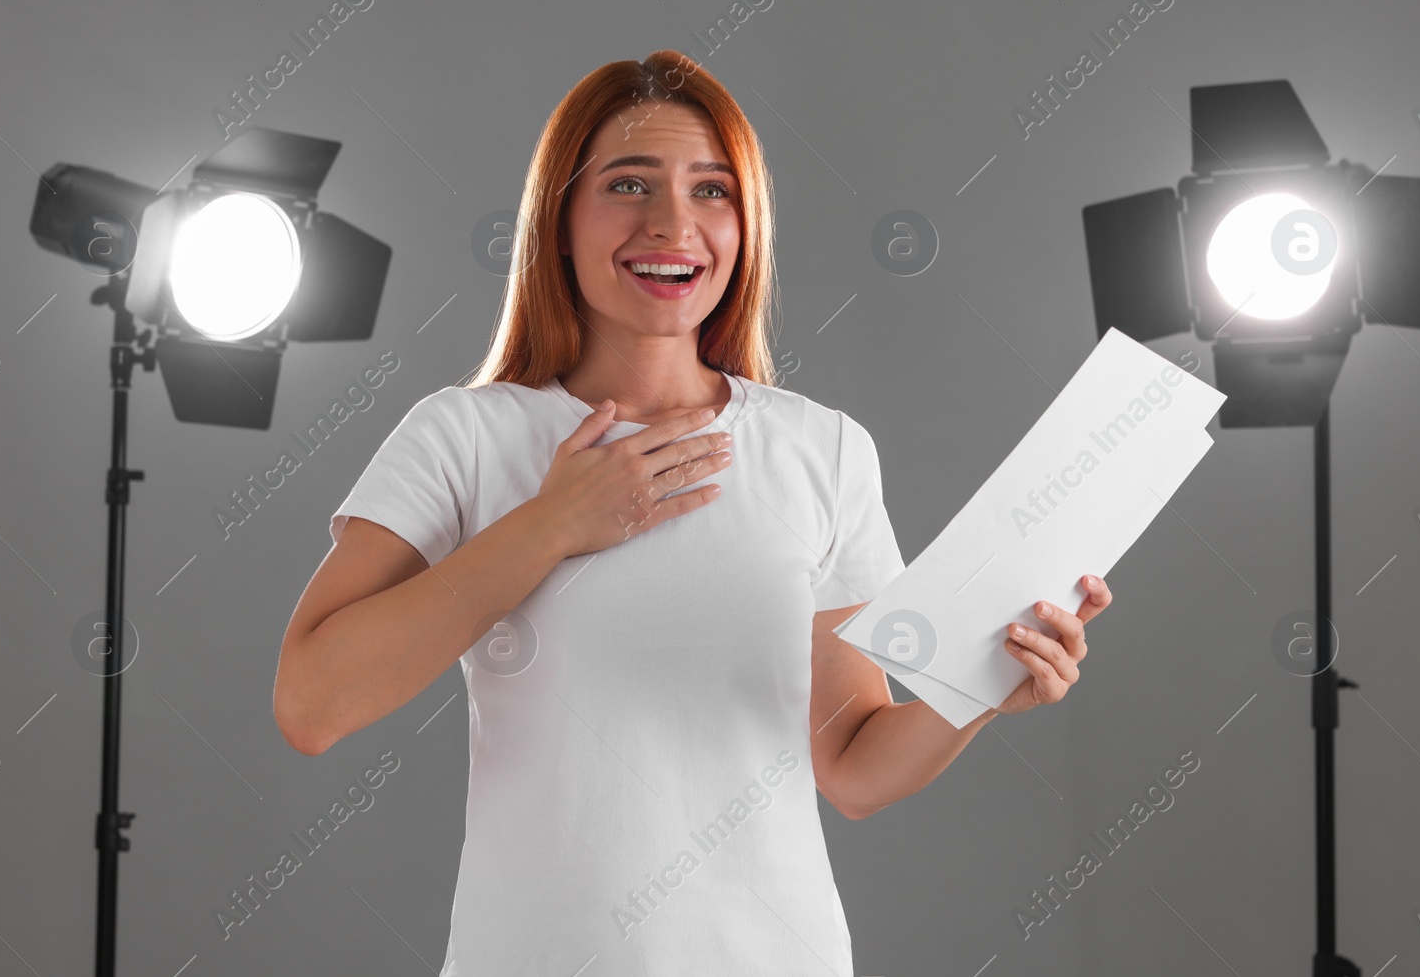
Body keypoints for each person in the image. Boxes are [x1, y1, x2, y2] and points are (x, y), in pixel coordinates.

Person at [271, 49, 1112, 975]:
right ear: (559, 219)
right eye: (629, 183)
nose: (673, 222)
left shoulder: (821, 449)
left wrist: (982, 684)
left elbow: (853, 767)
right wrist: (552, 524)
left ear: (744, 227)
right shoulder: (463, 436)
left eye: (712, 190)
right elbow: (313, 702)